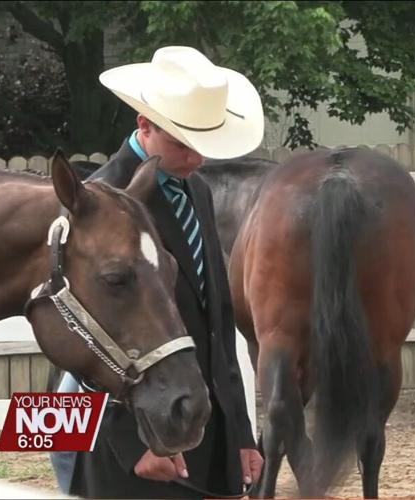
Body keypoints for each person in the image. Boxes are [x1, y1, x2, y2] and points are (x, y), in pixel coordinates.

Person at [66, 46, 265, 499]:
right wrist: (134, 441)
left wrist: (240, 433)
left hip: (204, 432)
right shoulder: (99, 198)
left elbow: (217, 324)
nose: (196, 159)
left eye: (202, 146)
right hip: (133, 448)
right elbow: (81, 336)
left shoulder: (197, 191)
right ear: (144, 126)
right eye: (181, 143)